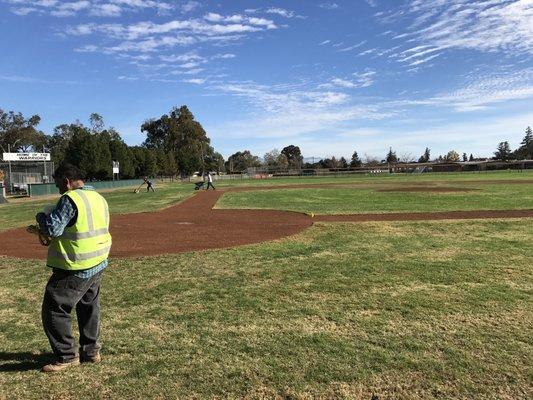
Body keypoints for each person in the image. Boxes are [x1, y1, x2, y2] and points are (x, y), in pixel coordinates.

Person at [35, 163, 112, 373]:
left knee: (54, 306)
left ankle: (67, 356)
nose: (58, 188)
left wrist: (41, 216)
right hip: (98, 261)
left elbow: (53, 227)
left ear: (67, 181)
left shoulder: (70, 199)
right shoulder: (99, 198)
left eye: (58, 183)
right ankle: (91, 350)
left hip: (76, 265)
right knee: (89, 306)